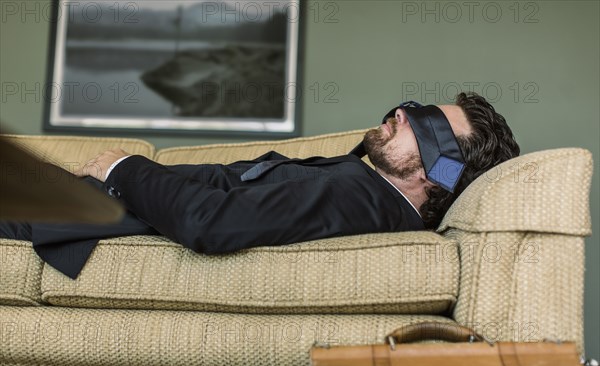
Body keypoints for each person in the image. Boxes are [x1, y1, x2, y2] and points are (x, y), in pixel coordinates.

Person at [0, 92, 520, 278]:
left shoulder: (356, 196)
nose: (403, 113)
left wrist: (122, 166)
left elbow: (209, 222)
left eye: (425, 123)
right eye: (414, 107)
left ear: (440, 173)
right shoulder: (360, 180)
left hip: (68, 217)